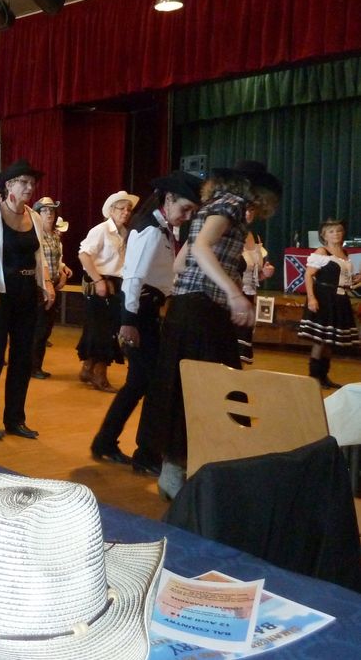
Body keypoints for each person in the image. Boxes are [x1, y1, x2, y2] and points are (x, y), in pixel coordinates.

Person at [141, 161, 282, 500]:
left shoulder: (210, 205)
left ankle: (177, 472)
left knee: (187, 390)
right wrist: (234, 294)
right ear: (254, 188)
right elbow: (202, 247)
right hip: (202, 309)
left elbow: (181, 263)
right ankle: (192, 473)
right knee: (216, 390)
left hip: (190, 308)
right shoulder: (232, 203)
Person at [89, 171, 202, 475]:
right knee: (147, 382)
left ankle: (107, 442)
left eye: (192, 211)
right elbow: (134, 278)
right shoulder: (151, 229)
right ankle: (137, 452)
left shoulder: (161, 227)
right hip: (138, 313)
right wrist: (129, 322)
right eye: (185, 209)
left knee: (140, 382)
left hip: (146, 312)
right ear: (168, 199)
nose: (187, 216)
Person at [0, 159, 55, 440]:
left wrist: (44, 282)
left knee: (23, 358)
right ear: (9, 185)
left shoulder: (33, 217)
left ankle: (15, 419)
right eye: (24, 182)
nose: (29, 187)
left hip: (26, 294)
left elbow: (37, 255)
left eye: (32, 183)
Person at [76, 190, 139, 392]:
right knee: (102, 330)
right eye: (122, 208)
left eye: (129, 209)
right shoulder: (101, 230)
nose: (126, 212)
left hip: (115, 284)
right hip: (100, 284)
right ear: (111, 210)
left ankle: (88, 369)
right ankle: (99, 375)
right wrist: (99, 280)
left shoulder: (126, 233)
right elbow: (84, 255)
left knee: (105, 329)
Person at [298, 218, 361, 387]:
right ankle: (313, 378)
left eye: (339, 231)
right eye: (331, 231)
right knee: (320, 339)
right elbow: (308, 275)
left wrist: (356, 279)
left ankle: (323, 376)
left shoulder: (345, 253)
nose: (336, 234)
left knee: (330, 340)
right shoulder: (322, 252)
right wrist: (311, 298)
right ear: (324, 235)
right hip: (324, 297)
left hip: (339, 298)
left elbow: (344, 279)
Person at [30, 196, 72, 379]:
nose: (49, 214)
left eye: (52, 210)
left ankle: (36, 365)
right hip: (39, 286)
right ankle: (33, 367)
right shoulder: (34, 235)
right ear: (37, 214)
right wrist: (48, 283)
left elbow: (58, 259)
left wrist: (63, 270)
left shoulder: (55, 235)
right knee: (39, 329)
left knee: (46, 328)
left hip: (53, 284)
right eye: (45, 210)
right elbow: (39, 262)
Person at [236, 219, 275, 364]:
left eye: (252, 210)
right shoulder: (228, 234)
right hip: (233, 298)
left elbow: (255, 275)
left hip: (248, 297)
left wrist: (264, 274)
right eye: (246, 209)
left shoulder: (255, 237)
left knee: (241, 347)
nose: (248, 213)